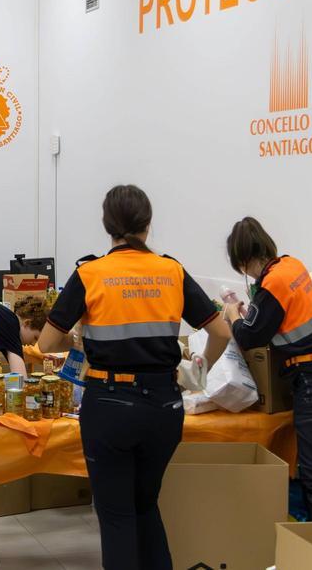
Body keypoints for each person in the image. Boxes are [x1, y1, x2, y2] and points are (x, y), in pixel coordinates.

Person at [38, 184, 231, 570]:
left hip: (109, 405)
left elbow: (45, 343)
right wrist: (197, 372)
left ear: (107, 225)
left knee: (117, 516)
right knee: (145, 506)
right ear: (148, 224)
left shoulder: (91, 273)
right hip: (164, 405)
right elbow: (222, 332)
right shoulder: (171, 271)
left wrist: (78, 336)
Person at [221, 216, 312, 522]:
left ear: (243, 260)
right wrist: (252, 314)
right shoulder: (292, 266)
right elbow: (276, 320)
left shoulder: (273, 283)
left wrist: (232, 315)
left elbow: (249, 336)